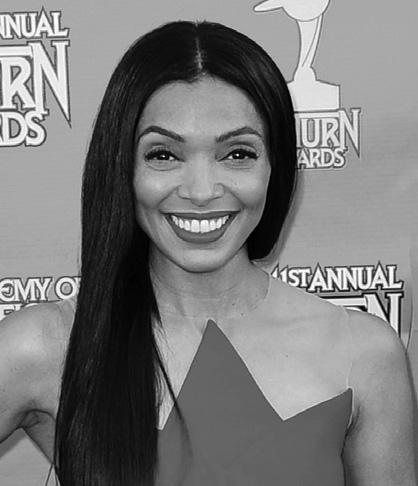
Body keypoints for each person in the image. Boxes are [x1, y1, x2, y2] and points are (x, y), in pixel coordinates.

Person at [0, 20, 415, 486]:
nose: (201, 192)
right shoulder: (47, 346)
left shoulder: (364, 353)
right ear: (122, 168)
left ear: (276, 167)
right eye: (163, 155)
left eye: (238, 154)